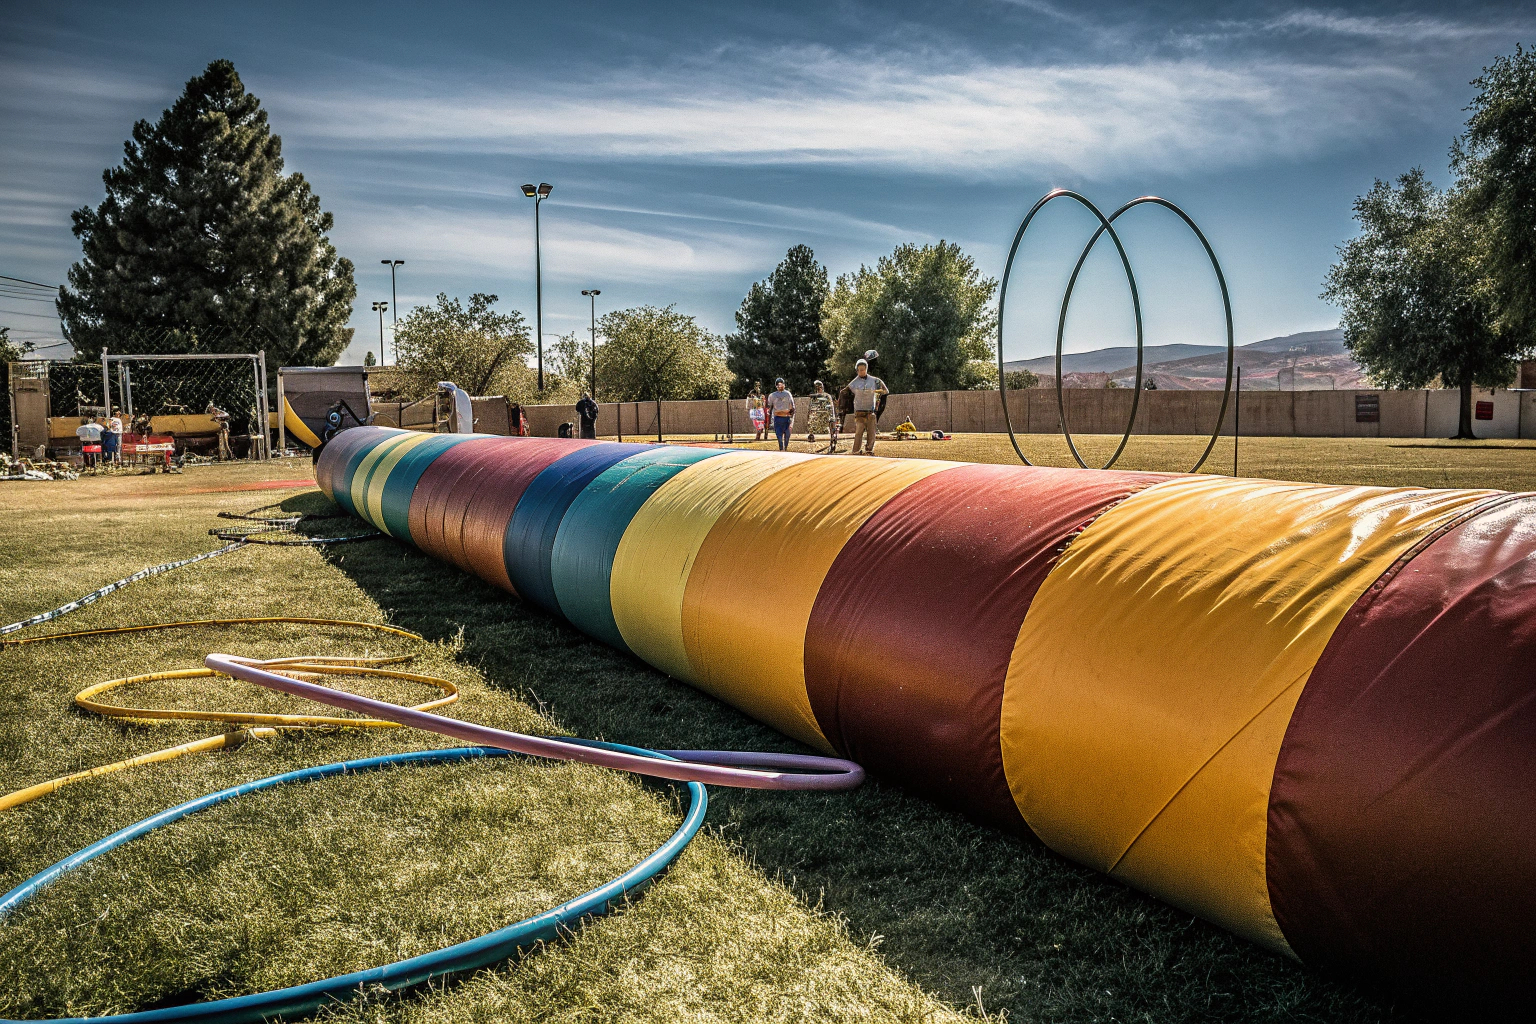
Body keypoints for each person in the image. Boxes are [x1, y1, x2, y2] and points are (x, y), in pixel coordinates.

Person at [846, 358, 888, 455]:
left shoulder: (875, 381)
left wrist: (878, 394)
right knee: (859, 431)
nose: (861, 371)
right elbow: (846, 394)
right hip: (859, 411)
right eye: (859, 370)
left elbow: (885, 391)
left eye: (863, 369)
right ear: (856, 370)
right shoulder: (853, 383)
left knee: (871, 431)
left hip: (871, 410)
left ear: (866, 369)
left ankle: (869, 449)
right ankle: (856, 450)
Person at [766, 377, 795, 451]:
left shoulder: (788, 394)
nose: (780, 386)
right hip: (777, 417)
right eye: (778, 385)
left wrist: (791, 417)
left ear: (784, 385)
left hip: (786, 417)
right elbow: (769, 407)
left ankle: (785, 448)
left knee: (787, 435)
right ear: (776, 386)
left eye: (782, 384)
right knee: (779, 434)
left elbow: (792, 405)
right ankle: (781, 448)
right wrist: (768, 420)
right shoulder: (772, 395)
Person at [805, 380, 835, 449]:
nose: (818, 390)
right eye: (817, 388)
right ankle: (812, 437)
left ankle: (831, 440)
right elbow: (811, 407)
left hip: (824, 417)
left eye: (819, 388)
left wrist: (831, 417)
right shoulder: (814, 397)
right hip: (816, 418)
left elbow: (830, 407)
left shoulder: (827, 396)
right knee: (812, 421)